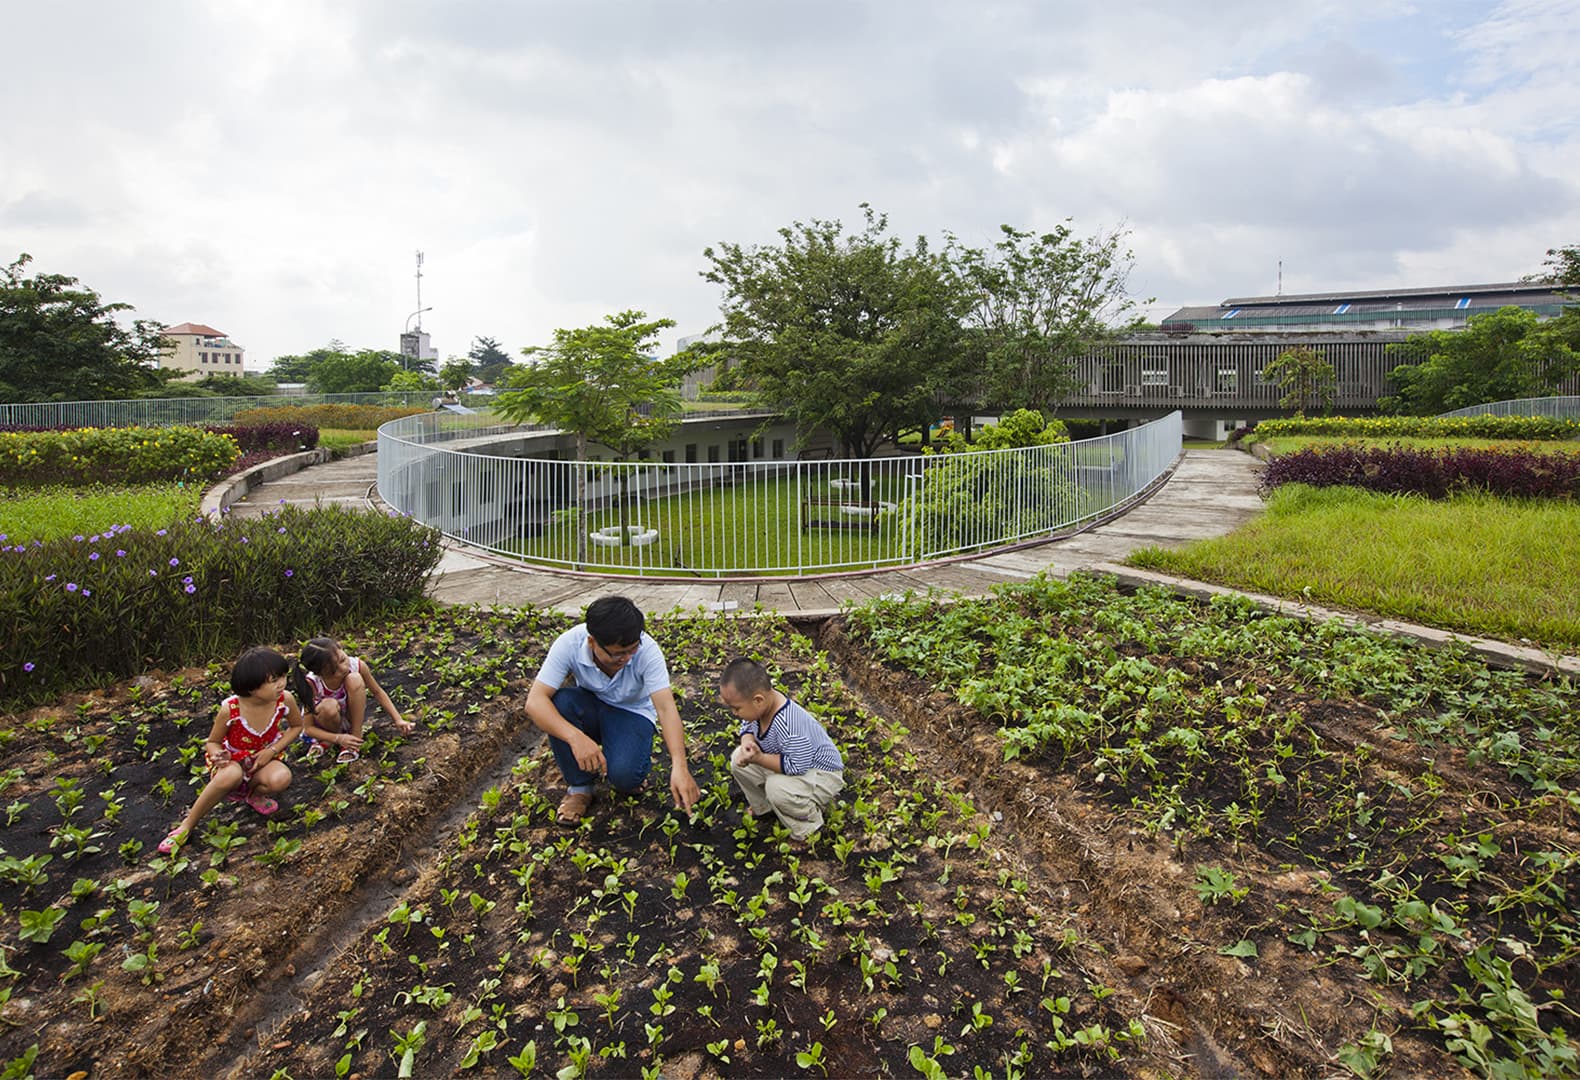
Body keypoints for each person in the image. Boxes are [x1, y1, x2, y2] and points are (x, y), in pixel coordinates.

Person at [527, 596, 700, 824]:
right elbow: (534, 702)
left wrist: (680, 766)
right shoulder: (569, 644)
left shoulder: (647, 651)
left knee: (625, 778)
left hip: (631, 713)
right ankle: (580, 788)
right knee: (560, 703)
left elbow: (666, 708)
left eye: (632, 650)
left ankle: (627, 764)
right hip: (590, 706)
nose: (626, 658)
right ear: (592, 642)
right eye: (617, 653)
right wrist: (576, 737)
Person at [158, 647, 304, 853]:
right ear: (251, 687)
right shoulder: (231, 709)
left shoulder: (284, 700)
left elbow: (296, 726)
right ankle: (187, 825)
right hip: (234, 761)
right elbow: (212, 742)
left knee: (281, 778)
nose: (281, 684)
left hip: (264, 758)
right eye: (273, 680)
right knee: (231, 775)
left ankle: (253, 794)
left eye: (283, 677)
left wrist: (272, 750)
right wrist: (218, 755)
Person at [720, 657, 845, 844]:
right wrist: (747, 742)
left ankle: (808, 827)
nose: (734, 713)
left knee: (777, 788)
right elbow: (747, 726)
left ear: (758, 700)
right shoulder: (758, 709)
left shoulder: (788, 723)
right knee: (738, 759)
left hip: (820, 773)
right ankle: (765, 807)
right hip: (786, 761)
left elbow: (797, 766)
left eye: (736, 708)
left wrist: (760, 758)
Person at [292, 637, 415, 764]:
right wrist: (338, 738)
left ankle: (355, 737)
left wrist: (398, 719)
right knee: (328, 706)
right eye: (335, 671)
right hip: (325, 722)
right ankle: (331, 739)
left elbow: (378, 692)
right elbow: (309, 728)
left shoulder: (356, 666)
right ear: (320, 673)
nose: (344, 668)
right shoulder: (312, 683)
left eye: (343, 660)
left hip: (350, 716)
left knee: (354, 678)